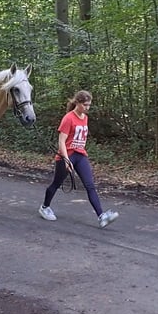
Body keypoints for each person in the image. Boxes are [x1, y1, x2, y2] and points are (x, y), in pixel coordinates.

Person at [38, 90, 119, 229]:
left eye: (89, 105)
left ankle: (101, 217)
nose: (87, 108)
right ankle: (44, 207)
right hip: (66, 155)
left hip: (80, 155)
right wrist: (65, 159)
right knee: (56, 183)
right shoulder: (68, 118)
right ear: (78, 103)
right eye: (85, 105)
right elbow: (61, 141)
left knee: (90, 185)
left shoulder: (85, 118)